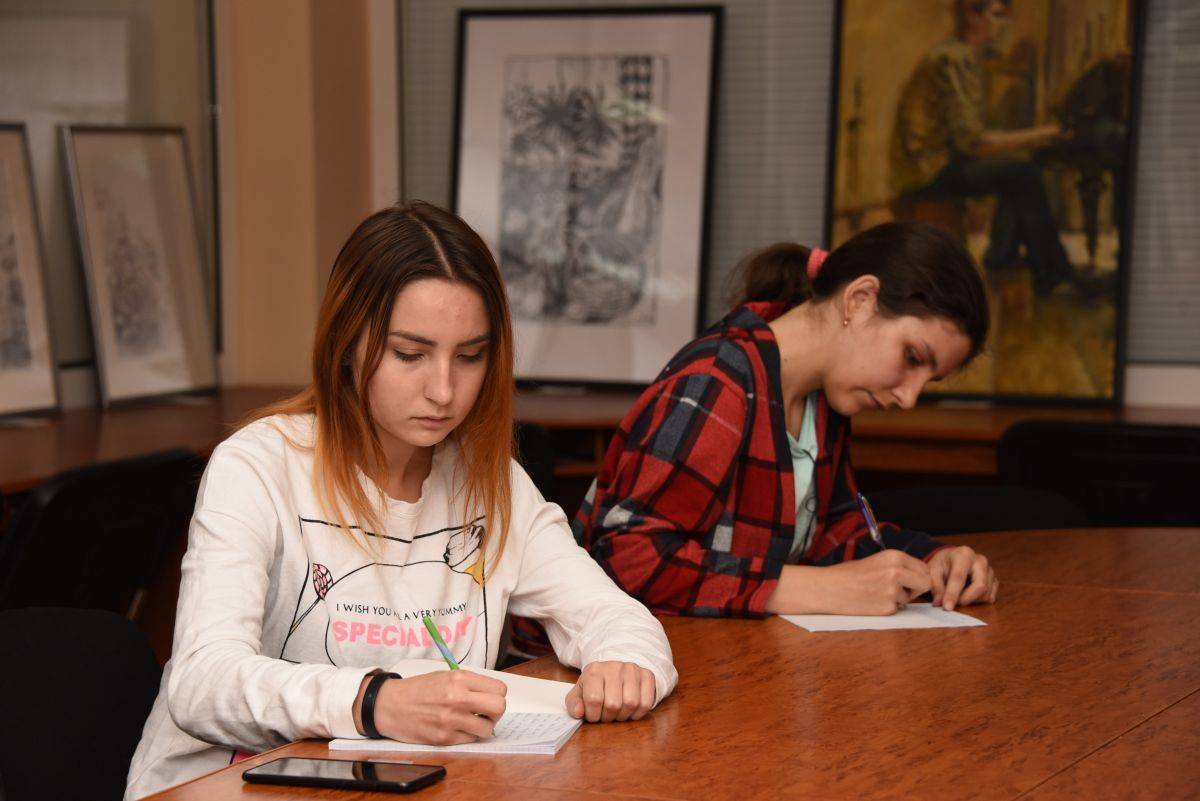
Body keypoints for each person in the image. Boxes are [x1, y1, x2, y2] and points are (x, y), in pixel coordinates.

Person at [125, 202, 677, 800]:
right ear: (347, 343)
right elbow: (202, 682)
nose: (443, 390)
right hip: (223, 786)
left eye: (470, 356)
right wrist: (375, 702)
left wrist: (624, 665)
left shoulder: (492, 482)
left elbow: (616, 618)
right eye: (410, 354)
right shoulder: (257, 466)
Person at [572, 221, 999, 619]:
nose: (908, 398)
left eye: (929, 380)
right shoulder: (717, 383)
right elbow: (625, 560)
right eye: (912, 357)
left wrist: (932, 561)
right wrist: (817, 589)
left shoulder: (824, 400)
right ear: (860, 300)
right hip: (609, 661)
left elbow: (832, 534)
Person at [890, 0, 1073, 295]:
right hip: (926, 172)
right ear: (973, 16)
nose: (1004, 25)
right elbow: (973, 143)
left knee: (1018, 167)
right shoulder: (952, 58)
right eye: (997, 15)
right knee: (1023, 171)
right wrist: (1038, 135)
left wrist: (1031, 139)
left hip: (940, 161)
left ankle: (1003, 254)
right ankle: (1052, 274)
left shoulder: (962, 56)